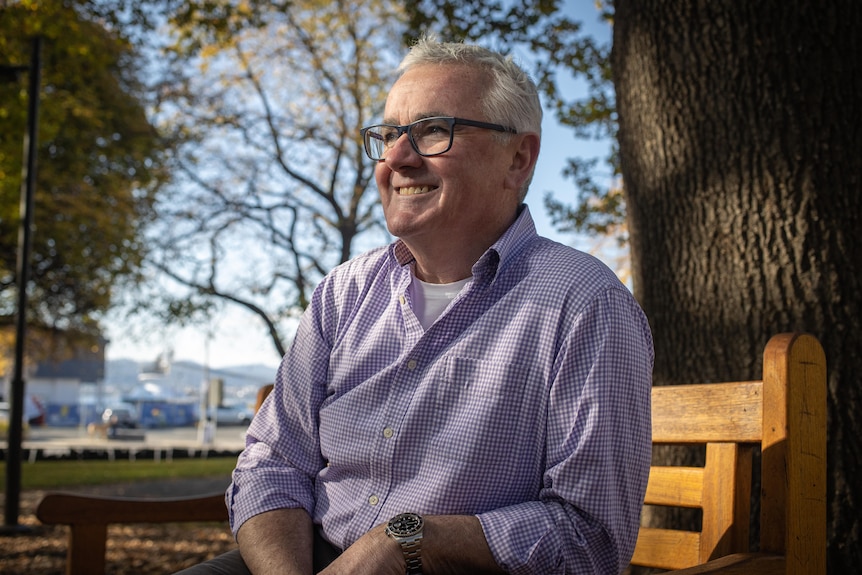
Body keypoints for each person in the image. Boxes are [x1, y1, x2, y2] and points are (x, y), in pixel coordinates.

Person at [177, 38, 653, 575]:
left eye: (431, 130)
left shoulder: (584, 305)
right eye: (387, 135)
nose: (396, 158)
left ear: (518, 158)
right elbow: (273, 461)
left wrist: (408, 541)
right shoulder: (343, 294)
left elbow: (589, 536)